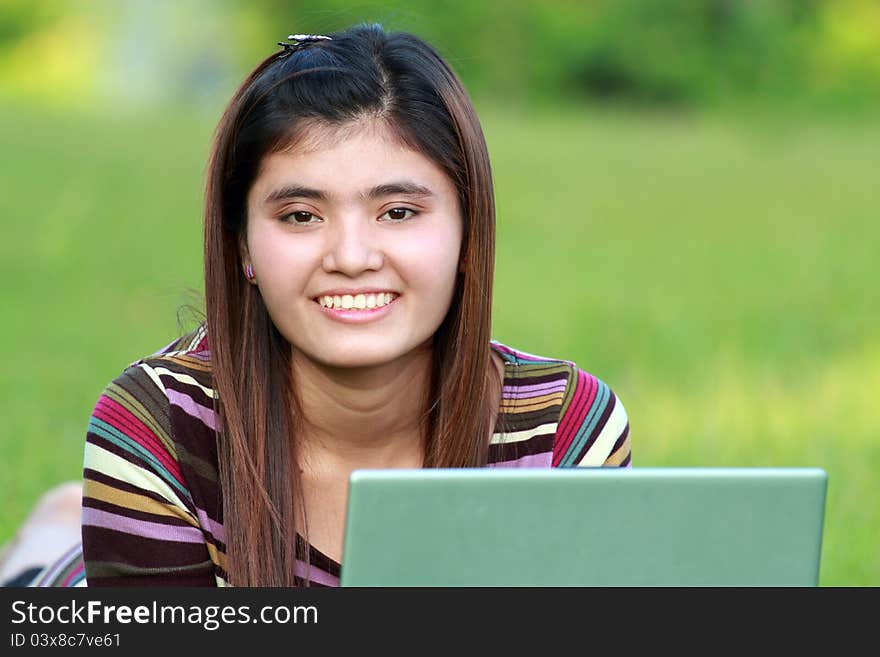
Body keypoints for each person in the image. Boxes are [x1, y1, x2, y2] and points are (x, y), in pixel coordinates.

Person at [4, 23, 630, 587]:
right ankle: (49, 543)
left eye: (399, 212)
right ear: (242, 243)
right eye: (301, 216)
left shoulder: (564, 431)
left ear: (469, 236)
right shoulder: (159, 428)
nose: (351, 256)